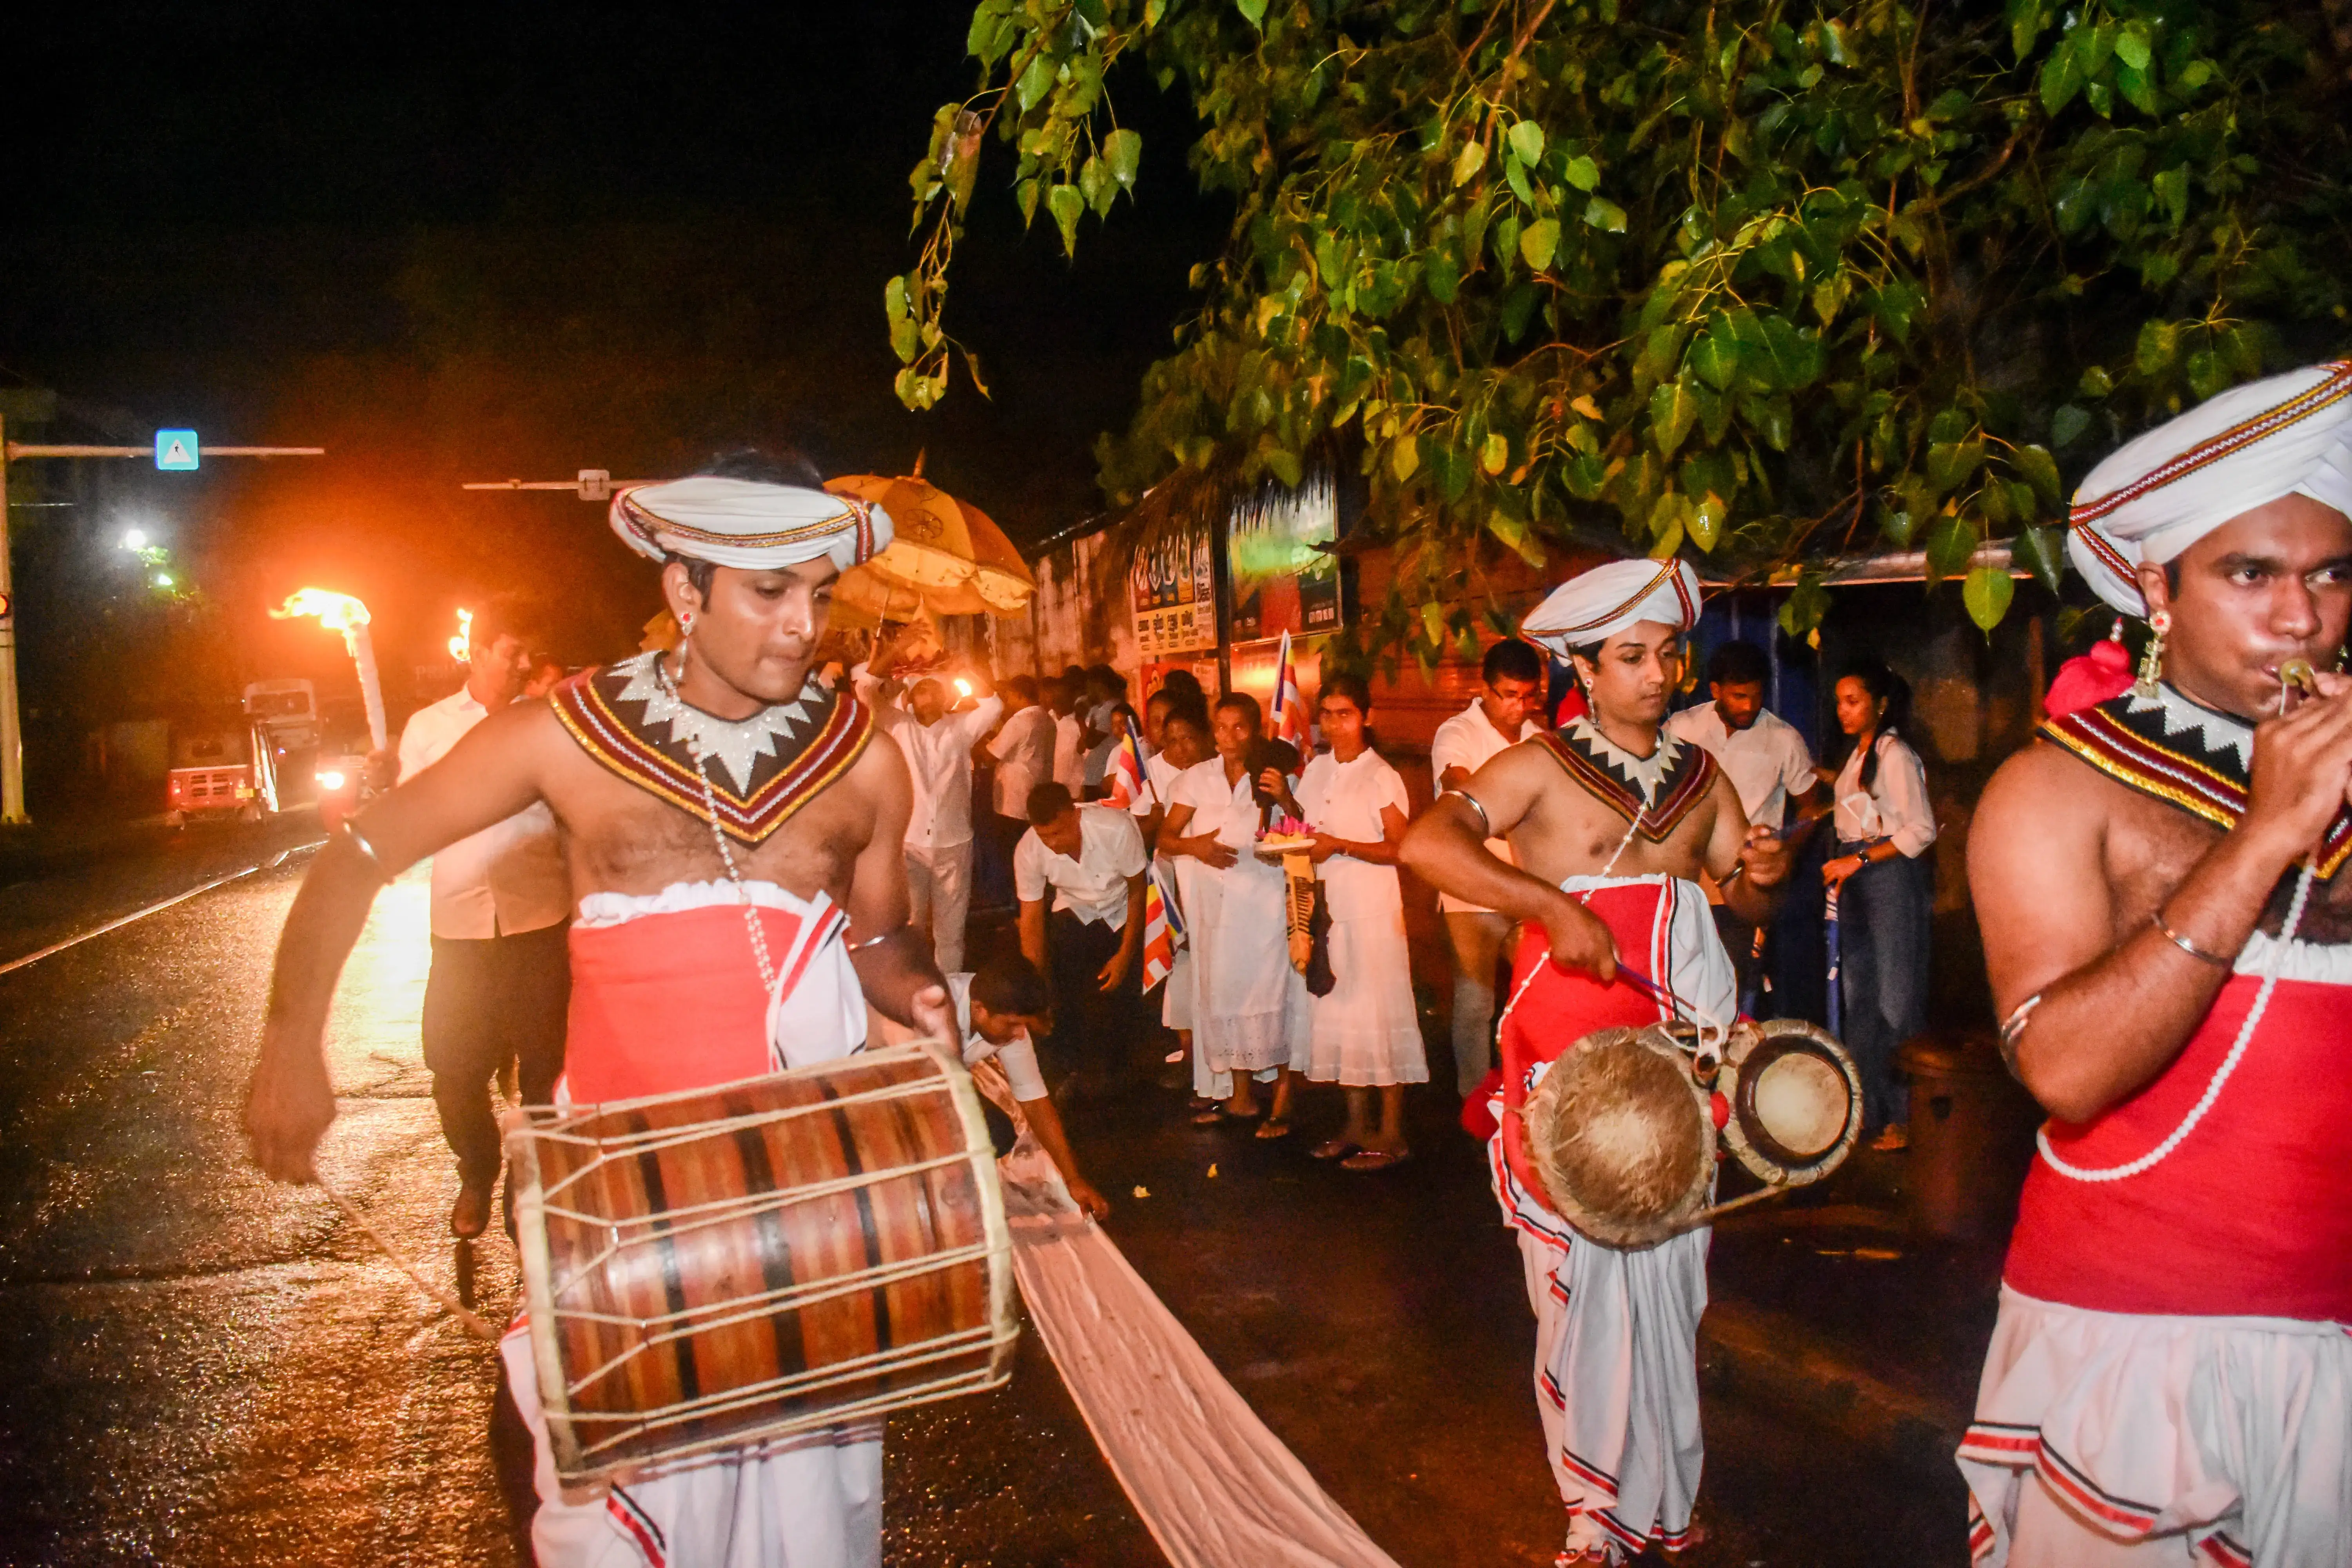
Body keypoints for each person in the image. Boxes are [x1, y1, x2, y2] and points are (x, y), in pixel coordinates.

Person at [244, 450, 955, 1568]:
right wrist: (292, 1047)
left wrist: (924, 996)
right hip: (624, 1224)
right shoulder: (565, 736)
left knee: (802, 1533)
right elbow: (357, 858)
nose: (800, 624)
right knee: (571, 1497)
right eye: (768, 592)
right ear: (685, 592)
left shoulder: (862, 765)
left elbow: (874, 938)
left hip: (798, 1223)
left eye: (817, 594)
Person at [1959, 362, 2352, 1568]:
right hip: (2139, 1340)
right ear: (2154, 587)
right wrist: (2265, 837)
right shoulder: (2054, 786)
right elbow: (2063, 1068)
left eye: (2331, 574)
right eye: (2249, 573)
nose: (2300, 618)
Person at [1399, 558, 1790, 1566]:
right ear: (1584, 666)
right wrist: (1549, 904)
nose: (1657, 675)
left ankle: (1661, 1499)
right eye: (1631, 657)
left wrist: (1760, 877)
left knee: (1667, 1283)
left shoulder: (1706, 779)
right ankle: (1591, 1510)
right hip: (1568, 1064)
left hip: (1678, 1061)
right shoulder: (1535, 765)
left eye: (1668, 654)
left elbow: (1741, 901)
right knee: (1579, 1287)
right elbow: (1428, 846)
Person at [394, 594, 572, 1239]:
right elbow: (415, 814)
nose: (525, 662)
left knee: (547, 1069)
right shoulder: (430, 727)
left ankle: (539, 1189)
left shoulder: (549, 723)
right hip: (461, 928)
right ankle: (478, 1165)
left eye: (531, 651)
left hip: (539, 920)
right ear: (476, 650)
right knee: (453, 1067)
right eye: (512, 650)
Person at [1274, 672, 1426, 1169]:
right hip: (1330, 909)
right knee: (1342, 1014)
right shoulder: (1317, 768)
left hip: (1373, 914)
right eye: (1328, 714)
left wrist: (1341, 845)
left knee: (1380, 1013)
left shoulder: (1381, 773)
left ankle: (1392, 1132)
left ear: (1366, 718)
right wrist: (1284, 806)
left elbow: (1402, 848)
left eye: (1347, 714)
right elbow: (1309, 825)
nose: (1336, 725)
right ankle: (1356, 1125)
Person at [1161, 692, 1309, 1135]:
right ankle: (1240, 1096)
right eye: (1221, 728)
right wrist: (1196, 846)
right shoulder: (1197, 779)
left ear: (1256, 729)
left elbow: (1302, 831)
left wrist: (1285, 797)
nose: (1229, 738)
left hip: (1263, 904)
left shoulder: (1272, 775)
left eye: (1239, 727)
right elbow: (1167, 838)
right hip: (1217, 909)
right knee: (1227, 994)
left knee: (1273, 993)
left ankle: (1283, 1097)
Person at [1664, 639, 1822, 1002]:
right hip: (1684, 884)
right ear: (1716, 690)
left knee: (1729, 987)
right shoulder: (1682, 730)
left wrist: (1782, 856)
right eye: (1738, 696)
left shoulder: (1783, 739)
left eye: (1756, 696)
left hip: (1742, 888)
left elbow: (1810, 809)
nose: (1749, 706)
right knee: (1680, 985)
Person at [1820, 657, 1934, 1152]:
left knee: (1894, 997)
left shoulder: (1895, 754)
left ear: (1880, 704)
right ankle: (1867, 1112)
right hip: (1857, 875)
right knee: (1858, 997)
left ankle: (1904, 1118)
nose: (1843, 711)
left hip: (1885, 874)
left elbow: (1920, 830)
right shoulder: (1859, 756)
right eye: (1839, 703)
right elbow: (1856, 809)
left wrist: (1859, 861)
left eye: (1853, 701)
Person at [1429, 637, 1546, 1096]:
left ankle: (1528, 1094)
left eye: (1527, 695)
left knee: (1533, 998)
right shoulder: (1459, 732)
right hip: (1469, 889)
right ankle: (1475, 1104)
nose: (1518, 707)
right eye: (1508, 695)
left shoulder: (1539, 741)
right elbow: (1462, 792)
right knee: (1476, 1004)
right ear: (1486, 688)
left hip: (1524, 888)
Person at [855, 637, 1003, 976]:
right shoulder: (897, 726)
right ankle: (915, 990)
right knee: (912, 925)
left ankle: (949, 992)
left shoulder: (961, 729)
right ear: (911, 697)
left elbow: (993, 706)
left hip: (954, 842)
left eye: (935, 690)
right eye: (921, 690)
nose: (929, 696)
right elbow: (865, 692)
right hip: (910, 844)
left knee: (951, 933)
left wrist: (961, 668)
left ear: (945, 696)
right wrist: (891, 651)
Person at [947, 955, 1111, 1220]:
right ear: (978, 1010)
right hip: (887, 1079)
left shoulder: (1005, 1023)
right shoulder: (938, 1006)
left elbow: (1035, 1100)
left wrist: (1074, 1180)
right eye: (1013, 1024)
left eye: (1023, 1025)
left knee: (994, 1133)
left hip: (947, 1081)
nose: (1020, 1034)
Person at [1014, 782, 1149, 1075]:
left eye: (1058, 833)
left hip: (1122, 908)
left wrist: (1124, 956)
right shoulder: (1028, 849)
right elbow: (1032, 920)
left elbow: (1139, 890)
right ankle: (1073, 1065)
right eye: (1044, 836)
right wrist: (1038, 989)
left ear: (1074, 815)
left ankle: (1128, 1066)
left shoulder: (1117, 828)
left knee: (1126, 996)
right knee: (1066, 988)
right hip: (1075, 909)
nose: (1052, 843)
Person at [1135, 700, 1212, 1097]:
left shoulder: (1220, 776)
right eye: (1173, 741)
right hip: (1179, 884)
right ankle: (1189, 1055)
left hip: (1218, 890)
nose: (1182, 749)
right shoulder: (1165, 779)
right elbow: (1159, 838)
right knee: (1182, 970)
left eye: (1189, 739)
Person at [1047, 675, 1086, 793]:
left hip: (1074, 789)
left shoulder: (1081, 723)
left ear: (1072, 697)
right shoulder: (1047, 718)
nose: (1056, 701)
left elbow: (1086, 753)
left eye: (1061, 697)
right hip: (1050, 787)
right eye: (1054, 697)